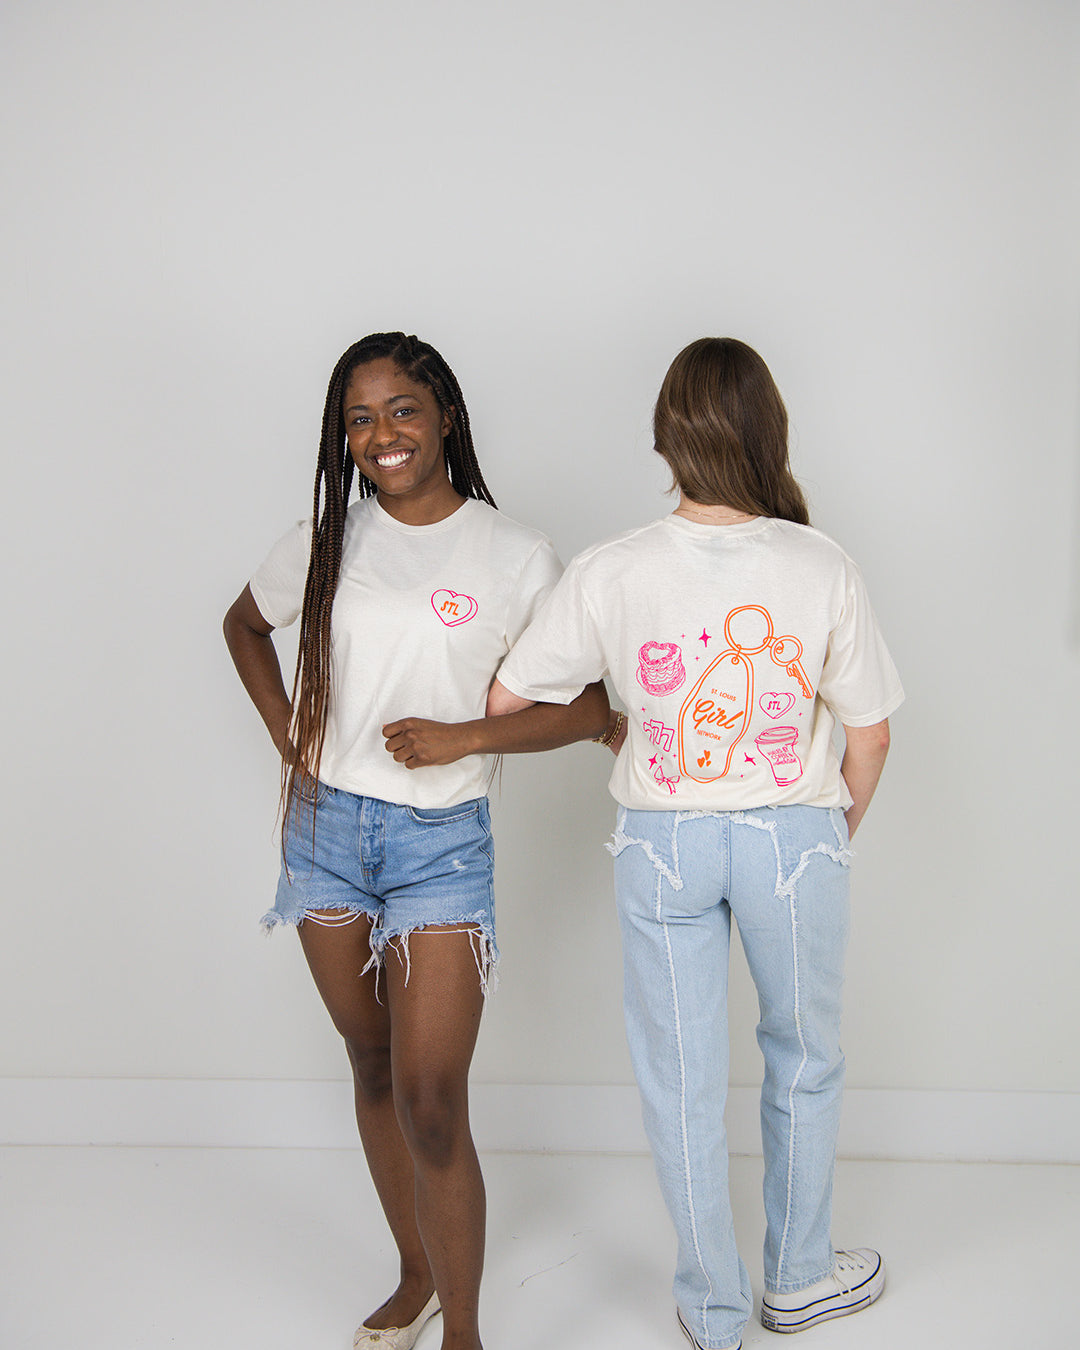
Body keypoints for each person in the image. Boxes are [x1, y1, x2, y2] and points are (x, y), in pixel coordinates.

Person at [385, 338, 903, 1350]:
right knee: (804, 1056)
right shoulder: (819, 561)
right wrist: (825, 830)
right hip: (790, 839)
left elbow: (509, 696)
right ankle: (798, 1279)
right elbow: (872, 731)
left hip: (662, 841)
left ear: (667, 436)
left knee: (681, 1081)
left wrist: (622, 726)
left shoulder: (613, 570)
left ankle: (713, 1310)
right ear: (766, 430)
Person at [223, 332, 608, 1350]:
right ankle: (415, 1273)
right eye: (358, 418)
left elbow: (589, 708)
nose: (379, 435)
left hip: (441, 843)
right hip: (325, 835)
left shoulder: (515, 554)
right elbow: (243, 627)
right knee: (372, 1061)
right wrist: (284, 727)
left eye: (399, 410)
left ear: (443, 413)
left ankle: (465, 1333)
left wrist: (464, 738)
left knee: (433, 1097)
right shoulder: (327, 536)